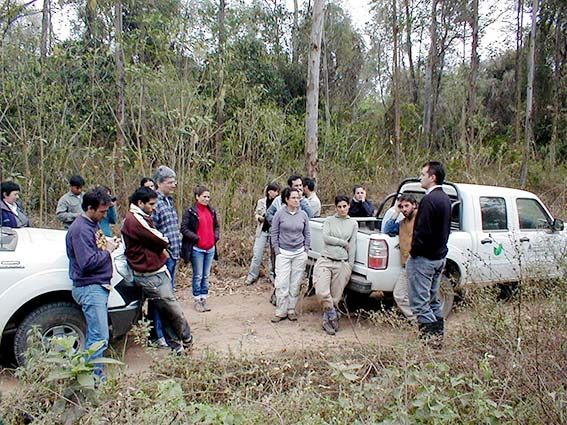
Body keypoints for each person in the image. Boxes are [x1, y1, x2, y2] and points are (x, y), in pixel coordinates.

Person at [121, 187, 192, 353]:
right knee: (171, 309)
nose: (154, 208)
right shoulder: (135, 220)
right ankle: (185, 339)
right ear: (140, 203)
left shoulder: (139, 217)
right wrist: (163, 246)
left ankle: (176, 345)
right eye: (151, 204)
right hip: (150, 274)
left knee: (165, 309)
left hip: (153, 272)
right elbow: (159, 239)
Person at [65, 188, 118, 378]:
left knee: (97, 334)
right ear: (89, 208)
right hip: (90, 287)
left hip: (97, 286)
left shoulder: (92, 224)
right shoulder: (80, 229)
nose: (105, 215)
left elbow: (95, 248)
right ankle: (94, 378)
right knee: (99, 336)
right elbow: (86, 262)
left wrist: (108, 244)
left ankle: (91, 375)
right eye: (102, 211)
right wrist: (107, 250)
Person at [407, 161, 451, 347]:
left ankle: (430, 344)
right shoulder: (445, 199)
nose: (420, 178)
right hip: (439, 257)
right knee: (433, 301)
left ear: (432, 178)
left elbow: (422, 232)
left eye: (423, 174)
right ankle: (438, 341)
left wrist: (413, 252)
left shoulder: (429, 200)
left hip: (424, 259)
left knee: (420, 304)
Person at [313, 195, 357, 335]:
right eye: (339, 207)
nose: (342, 209)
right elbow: (326, 238)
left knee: (335, 297)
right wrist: (342, 242)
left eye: (345, 206)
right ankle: (332, 314)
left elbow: (353, 246)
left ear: (349, 206)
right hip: (326, 259)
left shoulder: (353, 223)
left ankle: (327, 321)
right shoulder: (329, 221)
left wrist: (350, 265)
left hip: (341, 262)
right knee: (321, 291)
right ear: (336, 207)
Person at [149, 166, 182, 345]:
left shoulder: (169, 201)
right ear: (159, 183)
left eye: (174, 182)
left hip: (173, 255)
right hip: (163, 258)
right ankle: (159, 335)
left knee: (169, 297)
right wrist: (163, 252)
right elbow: (152, 232)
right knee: (162, 298)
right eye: (170, 182)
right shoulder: (155, 203)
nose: (173, 185)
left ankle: (166, 332)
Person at [270, 187, 311, 322]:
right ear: (286, 199)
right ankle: (281, 311)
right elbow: (274, 233)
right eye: (293, 198)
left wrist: (305, 249)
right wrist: (277, 250)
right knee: (282, 283)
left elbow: (307, 233)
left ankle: (291, 309)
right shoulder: (280, 214)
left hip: (299, 252)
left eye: (298, 197)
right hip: (283, 252)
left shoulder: (303, 215)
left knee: (295, 283)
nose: (296, 200)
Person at [181, 186, 220, 313]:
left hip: (210, 248)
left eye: (208, 197)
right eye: (204, 196)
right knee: (198, 275)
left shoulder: (211, 211)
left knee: (206, 275)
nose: (206, 199)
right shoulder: (190, 212)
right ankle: (197, 299)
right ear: (197, 197)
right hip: (197, 249)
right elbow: (184, 228)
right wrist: (196, 238)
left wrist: (215, 236)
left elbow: (216, 226)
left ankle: (204, 298)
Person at [383, 194, 418, 320]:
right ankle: (418, 320)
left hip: (418, 262)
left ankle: (417, 320)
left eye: (406, 206)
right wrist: (396, 212)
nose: (404, 209)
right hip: (407, 264)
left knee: (401, 294)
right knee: (403, 294)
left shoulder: (421, 220)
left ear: (414, 205)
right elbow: (387, 229)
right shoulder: (402, 223)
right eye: (401, 207)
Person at [245, 183, 280, 285]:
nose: (276, 193)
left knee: (273, 256)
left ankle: (273, 276)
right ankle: (252, 275)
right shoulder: (262, 202)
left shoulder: (279, 202)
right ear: (269, 192)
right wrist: (259, 218)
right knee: (257, 254)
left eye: (277, 191)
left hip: (274, 232)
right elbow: (256, 213)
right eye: (275, 191)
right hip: (262, 230)